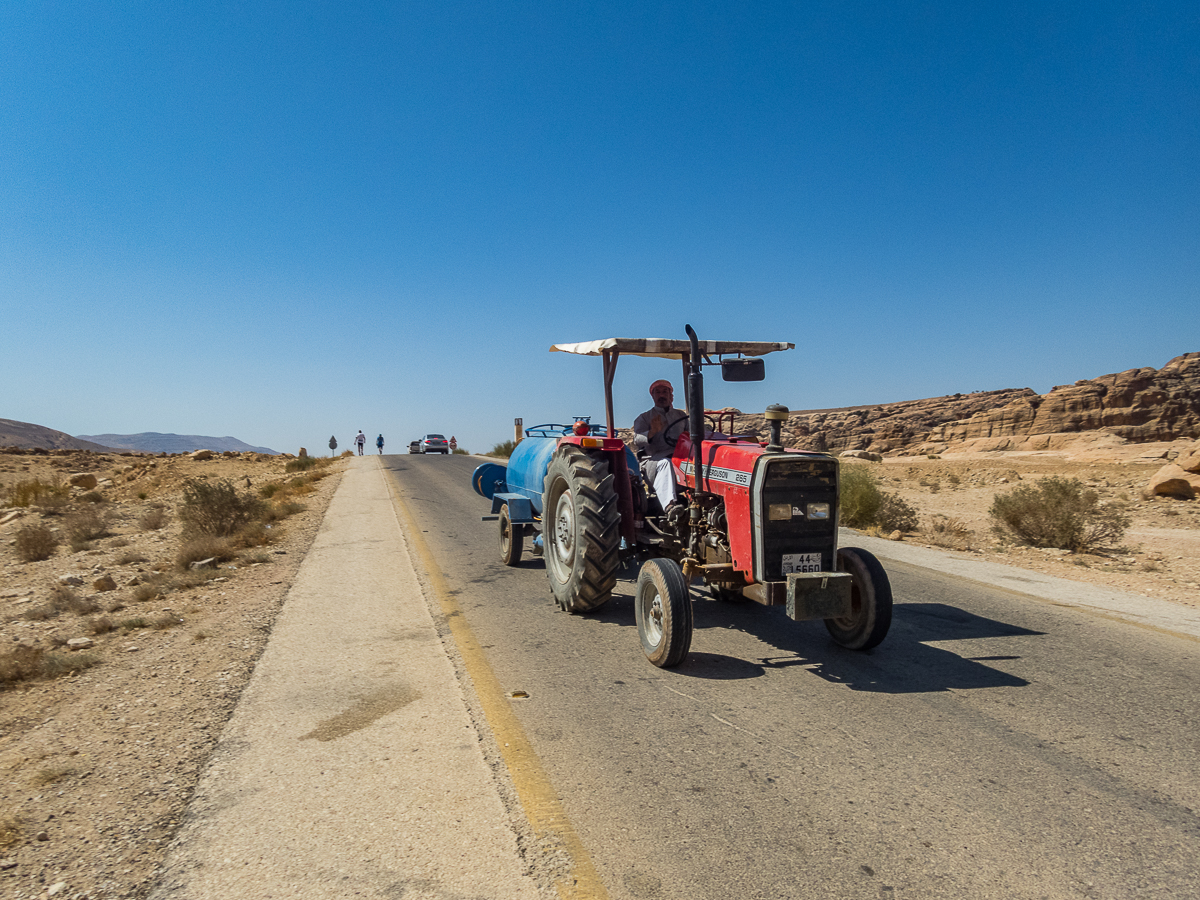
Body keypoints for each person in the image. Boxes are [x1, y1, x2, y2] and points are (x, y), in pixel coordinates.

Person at [632, 379, 689, 511]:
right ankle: (670, 506)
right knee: (665, 463)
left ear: (671, 395)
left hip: (681, 460)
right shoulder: (645, 418)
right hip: (654, 461)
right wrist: (653, 431)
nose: (661, 395)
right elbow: (638, 440)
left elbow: (691, 435)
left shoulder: (681, 416)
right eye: (657, 392)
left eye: (665, 391)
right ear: (652, 396)